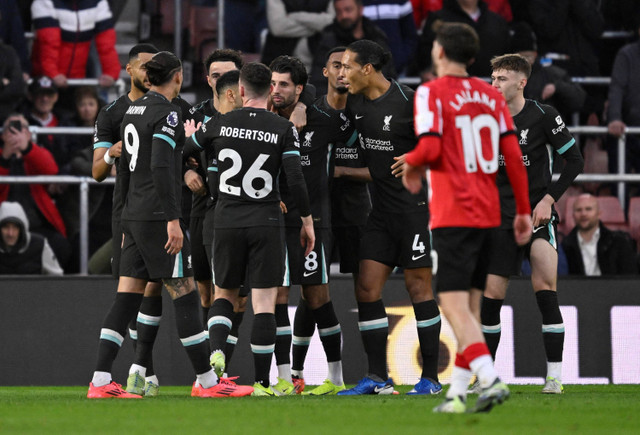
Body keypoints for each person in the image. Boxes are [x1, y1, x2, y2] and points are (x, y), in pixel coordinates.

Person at [87, 51, 253, 399]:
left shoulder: (131, 111)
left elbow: (128, 170)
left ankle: (100, 381)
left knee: (126, 298)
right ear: (177, 77)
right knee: (185, 292)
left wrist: (125, 218)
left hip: (132, 214)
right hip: (157, 217)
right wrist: (174, 220)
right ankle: (208, 383)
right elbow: (163, 168)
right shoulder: (168, 113)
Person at [402, 23, 532, 413]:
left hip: (453, 213)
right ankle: (458, 393)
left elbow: (429, 146)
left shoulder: (431, 92)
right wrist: (523, 209)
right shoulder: (491, 96)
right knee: (471, 312)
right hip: (490, 211)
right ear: (473, 57)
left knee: (454, 307)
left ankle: (490, 379)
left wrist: (411, 165)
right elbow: (513, 156)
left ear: (439, 52)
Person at [185, 61, 315, 396]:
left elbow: (185, 149)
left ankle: (215, 358)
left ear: (240, 90)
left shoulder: (218, 123)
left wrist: (191, 161)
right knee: (264, 302)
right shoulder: (280, 128)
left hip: (226, 219)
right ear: (270, 90)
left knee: (224, 295)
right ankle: (261, 383)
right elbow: (296, 180)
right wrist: (306, 220)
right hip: (265, 220)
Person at [473, 53, 584, 397]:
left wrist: (549, 199)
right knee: (491, 297)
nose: (494, 85)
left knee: (545, 288)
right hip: (498, 218)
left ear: (521, 82)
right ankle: (487, 378)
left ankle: (554, 377)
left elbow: (574, 159)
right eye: (492, 78)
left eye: (502, 79)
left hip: (535, 214)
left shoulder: (543, 115)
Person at [336, 40, 441, 396]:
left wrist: (418, 160)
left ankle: (431, 378)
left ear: (367, 69)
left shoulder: (412, 101)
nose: (341, 73)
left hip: (414, 211)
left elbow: (445, 148)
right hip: (379, 212)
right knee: (366, 288)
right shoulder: (356, 104)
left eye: (347, 66)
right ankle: (377, 378)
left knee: (418, 288)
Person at [267, 54, 356, 395]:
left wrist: (304, 106)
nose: (276, 90)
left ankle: (336, 378)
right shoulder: (263, 120)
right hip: (273, 222)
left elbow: (353, 123)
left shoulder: (320, 118)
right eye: (273, 84)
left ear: (300, 89)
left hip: (315, 222)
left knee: (318, 297)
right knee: (277, 295)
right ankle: (286, 378)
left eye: (284, 85)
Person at [188, 49, 243, 324]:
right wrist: (186, 172)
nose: (222, 80)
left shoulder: (253, 113)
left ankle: (225, 355)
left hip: (240, 209)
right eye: (216, 75)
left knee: (237, 293)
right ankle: (214, 363)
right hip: (202, 208)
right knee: (205, 290)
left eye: (229, 75)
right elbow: (173, 152)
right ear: (207, 79)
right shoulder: (195, 114)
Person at [0, 113, 70, 271]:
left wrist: (27, 148)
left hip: (36, 223)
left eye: (21, 129)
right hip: (4, 224)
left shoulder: (36, 153)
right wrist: (5, 156)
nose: (15, 134)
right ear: (3, 135)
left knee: (61, 245)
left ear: (29, 134)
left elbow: (51, 170)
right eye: (10, 130)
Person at [310, 0, 397, 96]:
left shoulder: (376, 38)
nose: (344, 16)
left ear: (360, 10)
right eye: (339, 12)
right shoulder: (327, 39)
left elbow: (387, 77)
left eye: (348, 10)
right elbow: (318, 80)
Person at [410, 0, 510, 80]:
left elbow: (506, 56)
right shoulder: (438, 19)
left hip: (491, 92)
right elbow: (424, 56)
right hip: (448, 92)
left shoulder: (497, 21)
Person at [30, 0, 120, 89]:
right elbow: (49, 43)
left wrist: (111, 73)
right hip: (46, 81)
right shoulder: (45, 2)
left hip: (78, 80)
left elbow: (106, 43)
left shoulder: (98, 2)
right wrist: (52, 74)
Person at [509, 21, 587, 123]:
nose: (526, 61)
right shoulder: (506, 77)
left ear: (535, 54)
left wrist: (557, 87)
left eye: (529, 56)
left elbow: (579, 99)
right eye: (521, 57)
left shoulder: (551, 73)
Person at [562, 194, 637, 276]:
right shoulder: (564, 246)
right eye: (579, 210)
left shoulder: (619, 242)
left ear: (599, 213)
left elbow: (630, 278)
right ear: (573, 215)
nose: (583, 214)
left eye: (588, 209)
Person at [606, 18, 640, 176]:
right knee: (620, 181)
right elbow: (617, 87)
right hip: (626, 131)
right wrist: (614, 118)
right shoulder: (627, 54)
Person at [261, 0, 335, 69]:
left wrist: (297, 16)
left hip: (319, 62)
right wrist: (317, 27)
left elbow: (333, 21)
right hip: (279, 61)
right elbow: (278, 28)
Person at [22, 76, 73, 174]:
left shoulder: (66, 121)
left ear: (56, 97)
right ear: (30, 96)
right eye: (40, 94)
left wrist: (61, 177)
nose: (45, 99)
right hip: (31, 181)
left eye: (49, 94)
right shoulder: (23, 121)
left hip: (63, 182)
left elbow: (74, 154)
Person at [0, 201, 64, 275]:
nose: (10, 233)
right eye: (5, 227)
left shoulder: (39, 245)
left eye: (15, 227)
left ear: (22, 229)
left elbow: (57, 278)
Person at [362, 0, 418, 75]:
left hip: (397, 69)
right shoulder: (354, 3)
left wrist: (401, 59)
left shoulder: (401, 2)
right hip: (362, 70)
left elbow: (410, 35)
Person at [0, 40, 25, 125]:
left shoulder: (8, 52)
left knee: (19, 124)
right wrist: (2, 83)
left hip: (4, 114)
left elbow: (18, 87)